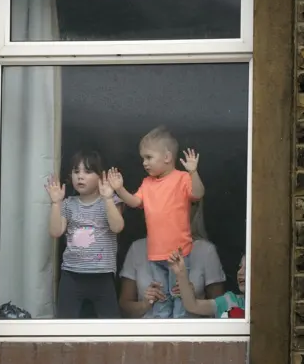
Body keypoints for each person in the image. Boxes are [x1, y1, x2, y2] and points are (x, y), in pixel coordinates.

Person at [108, 126, 205, 318]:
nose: (144, 163)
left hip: (179, 253)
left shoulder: (182, 178)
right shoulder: (147, 183)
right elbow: (135, 202)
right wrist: (119, 189)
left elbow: (198, 193)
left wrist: (193, 172)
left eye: (148, 157)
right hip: (155, 253)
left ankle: (179, 336)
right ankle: (163, 333)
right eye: (143, 158)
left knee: (179, 298)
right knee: (161, 298)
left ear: (167, 157)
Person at [45, 150, 124, 318]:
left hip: (102, 275)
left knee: (110, 325)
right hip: (72, 275)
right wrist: (56, 203)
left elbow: (117, 227)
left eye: (88, 172)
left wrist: (108, 199)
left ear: (101, 177)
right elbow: (55, 231)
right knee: (65, 324)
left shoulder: (110, 201)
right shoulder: (68, 204)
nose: (80, 176)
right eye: (76, 171)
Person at [118, 201, 226, 318]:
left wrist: (193, 298)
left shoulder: (205, 251)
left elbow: (221, 310)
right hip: (149, 333)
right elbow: (124, 307)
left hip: (191, 333)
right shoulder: (137, 249)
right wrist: (145, 304)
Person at [168, 250, 246, 318]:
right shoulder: (229, 300)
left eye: (247, 268)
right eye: (240, 267)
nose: (240, 272)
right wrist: (181, 273)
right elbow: (192, 306)